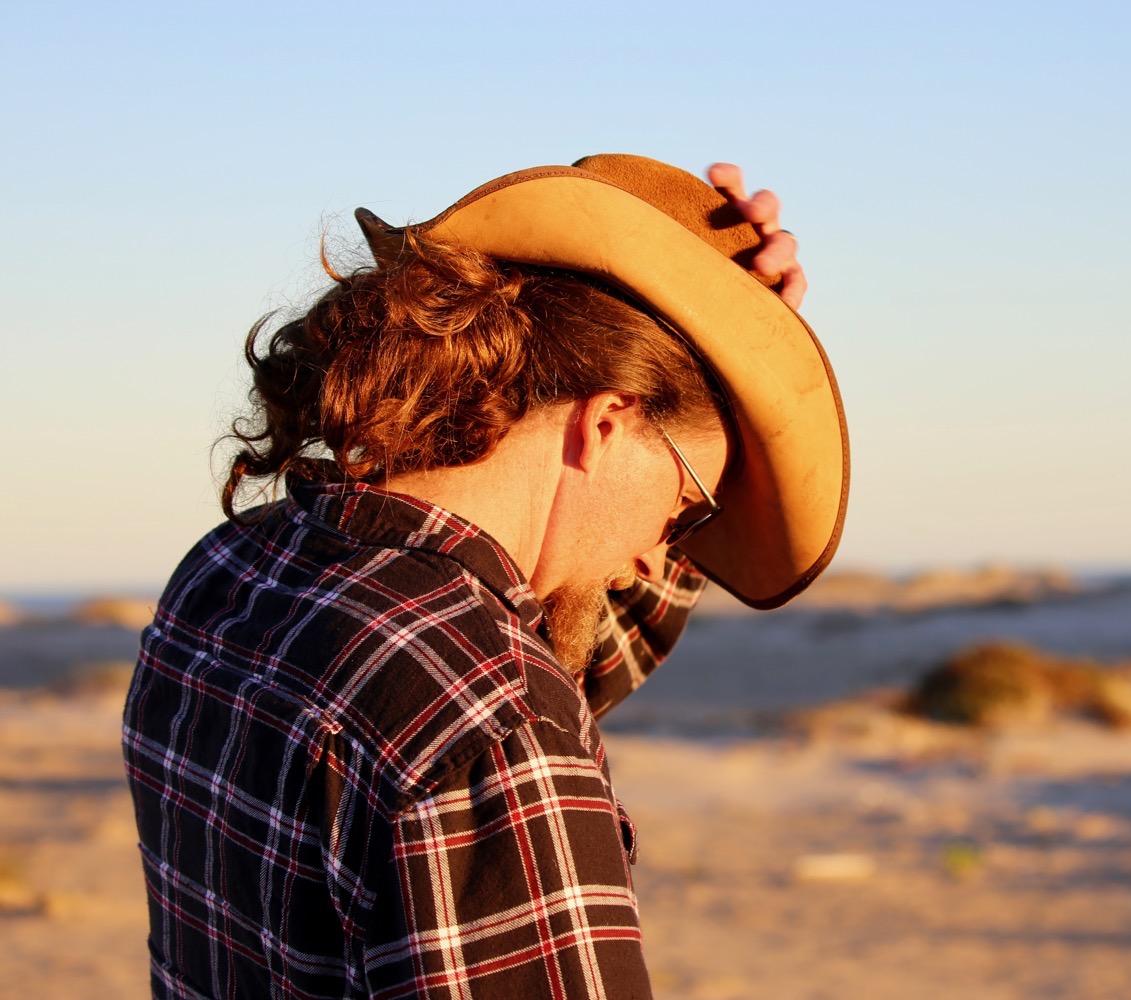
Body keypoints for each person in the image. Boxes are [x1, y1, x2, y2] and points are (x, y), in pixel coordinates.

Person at [122, 154, 849, 999]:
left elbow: (568, 636)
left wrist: (742, 346)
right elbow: (504, 691)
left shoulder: (231, 576)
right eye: (686, 505)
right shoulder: (494, 721)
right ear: (606, 423)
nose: (662, 554)